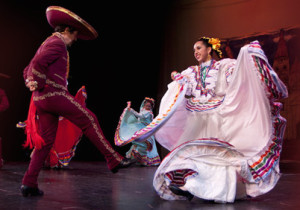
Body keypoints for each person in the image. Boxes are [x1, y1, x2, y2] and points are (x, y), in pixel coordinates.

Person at [124, 37, 286, 203]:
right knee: (192, 154)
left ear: (210, 49)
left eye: (199, 48)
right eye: (194, 49)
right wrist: (176, 77)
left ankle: (208, 189)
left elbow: (237, 77)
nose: (196, 52)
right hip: (196, 118)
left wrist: (246, 55)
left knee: (214, 157)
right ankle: (189, 186)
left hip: (216, 118)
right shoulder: (191, 71)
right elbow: (183, 83)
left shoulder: (223, 66)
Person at [21, 6, 131, 197]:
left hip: (43, 99)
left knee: (45, 143)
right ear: (67, 30)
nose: (75, 39)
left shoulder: (48, 42)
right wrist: (36, 81)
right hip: (53, 95)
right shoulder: (57, 43)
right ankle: (113, 159)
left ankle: (29, 183)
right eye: (75, 35)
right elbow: (37, 64)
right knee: (89, 119)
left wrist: (31, 81)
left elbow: (28, 67)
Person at [115, 98, 161, 166]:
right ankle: (138, 159)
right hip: (142, 128)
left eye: (149, 106)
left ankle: (143, 160)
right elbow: (139, 118)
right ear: (144, 105)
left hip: (146, 130)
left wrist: (132, 111)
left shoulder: (149, 113)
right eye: (147, 106)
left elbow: (140, 116)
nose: (148, 107)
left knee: (144, 144)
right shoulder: (143, 110)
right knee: (137, 143)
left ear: (151, 107)